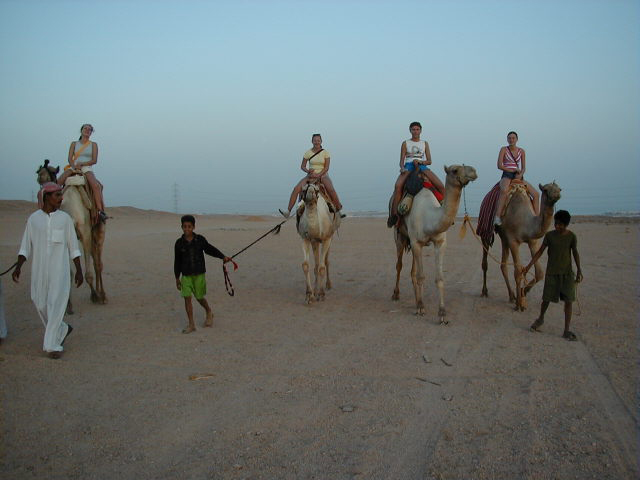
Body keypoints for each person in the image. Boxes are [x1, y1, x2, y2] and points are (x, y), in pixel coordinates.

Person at [12, 182, 83, 359]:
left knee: (56, 304)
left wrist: (79, 270)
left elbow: (73, 246)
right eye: (57, 195)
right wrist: (18, 266)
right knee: (40, 301)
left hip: (60, 270)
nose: (61, 199)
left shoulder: (65, 219)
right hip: (39, 270)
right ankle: (62, 329)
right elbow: (25, 247)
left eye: (61, 195)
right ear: (46, 198)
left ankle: (52, 346)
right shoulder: (33, 219)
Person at [523, 210, 583, 341]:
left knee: (569, 301)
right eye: (556, 223)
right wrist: (528, 266)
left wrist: (579, 270)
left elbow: (575, 253)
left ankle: (566, 330)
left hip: (567, 274)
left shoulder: (571, 237)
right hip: (552, 274)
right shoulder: (549, 236)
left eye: (561, 224)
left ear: (566, 224)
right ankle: (540, 319)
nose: (557, 226)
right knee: (546, 299)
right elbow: (539, 252)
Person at [174, 215, 232, 334]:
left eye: (189, 226)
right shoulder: (179, 243)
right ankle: (191, 324)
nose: (187, 229)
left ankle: (209, 311)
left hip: (199, 274)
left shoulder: (200, 240)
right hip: (185, 275)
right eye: (184, 226)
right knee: (187, 298)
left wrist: (223, 257)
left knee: (199, 298)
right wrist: (177, 278)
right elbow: (177, 261)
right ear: (181, 227)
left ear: (194, 227)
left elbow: (210, 249)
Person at [388, 122, 445, 228]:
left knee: (441, 186)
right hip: (409, 166)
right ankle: (394, 215)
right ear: (410, 130)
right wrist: (402, 168)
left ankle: (445, 213)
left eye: (417, 129)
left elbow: (429, 161)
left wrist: (422, 162)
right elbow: (401, 160)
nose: (415, 131)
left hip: (421, 165)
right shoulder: (405, 143)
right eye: (413, 129)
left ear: (421, 131)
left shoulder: (425, 143)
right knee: (398, 186)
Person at [279, 134, 343, 218]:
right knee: (296, 188)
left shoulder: (325, 153)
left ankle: (338, 208)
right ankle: (288, 211)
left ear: (321, 141)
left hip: (323, 174)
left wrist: (319, 174)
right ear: (312, 141)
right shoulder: (308, 153)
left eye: (318, 140)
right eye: (315, 140)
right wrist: (308, 171)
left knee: (330, 189)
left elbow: (326, 167)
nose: (316, 142)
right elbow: (302, 166)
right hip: (310, 175)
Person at [56, 124, 107, 223]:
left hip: (86, 167)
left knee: (96, 186)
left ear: (91, 132)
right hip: (73, 166)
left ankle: (100, 211)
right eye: (85, 128)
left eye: (90, 130)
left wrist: (83, 164)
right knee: (57, 183)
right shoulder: (74, 144)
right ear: (81, 130)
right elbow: (70, 158)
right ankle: (52, 207)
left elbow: (94, 160)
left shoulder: (93, 144)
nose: (87, 130)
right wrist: (74, 166)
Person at [494, 131, 539, 225]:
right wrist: (512, 170)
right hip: (507, 173)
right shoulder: (503, 149)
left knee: (536, 194)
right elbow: (499, 165)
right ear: (507, 139)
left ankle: (536, 217)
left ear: (517, 139)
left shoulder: (521, 151)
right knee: (504, 190)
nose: (511, 140)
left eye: (513, 138)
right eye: (509, 138)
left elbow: (524, 167)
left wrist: (520, 173)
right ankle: (497, 217)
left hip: (518, 175)